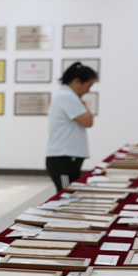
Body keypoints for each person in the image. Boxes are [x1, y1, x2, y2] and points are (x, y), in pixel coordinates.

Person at [46, 62, 97, 192]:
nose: (88, 90)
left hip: (67, 157)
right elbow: (88, 121)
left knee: (70, 195)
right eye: (88, 86)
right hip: (63, 158)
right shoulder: (67, 96)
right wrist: (83, 104)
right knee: (66, 196)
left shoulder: (66, 95)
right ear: (77, 81)